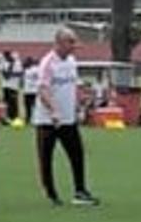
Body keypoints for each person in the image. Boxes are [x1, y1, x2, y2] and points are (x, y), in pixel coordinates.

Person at [34, 27, 99, 208]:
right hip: (48, 121)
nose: (74, 46)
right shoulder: (48, 63)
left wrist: (81, 99)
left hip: (68, 119)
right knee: (46, 158)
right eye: (70, 42)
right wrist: (53, 110)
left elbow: (73, 86)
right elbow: (43, 90)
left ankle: (80, 190)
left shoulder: (71, 61)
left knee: (77, 154)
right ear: (60, 43)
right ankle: (51, 194)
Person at [0, 50, 23, 123]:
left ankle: (14, 117)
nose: (6, 57)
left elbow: (20, 73)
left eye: (8, 56)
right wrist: (11, 72)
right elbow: (5, 75)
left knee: (13, 102)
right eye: (5, 56)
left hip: (13, 86)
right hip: (5, 85)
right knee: (6, 102)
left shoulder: (17, 63)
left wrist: (11, 73)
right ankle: (6, 117)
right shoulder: (3, 63)